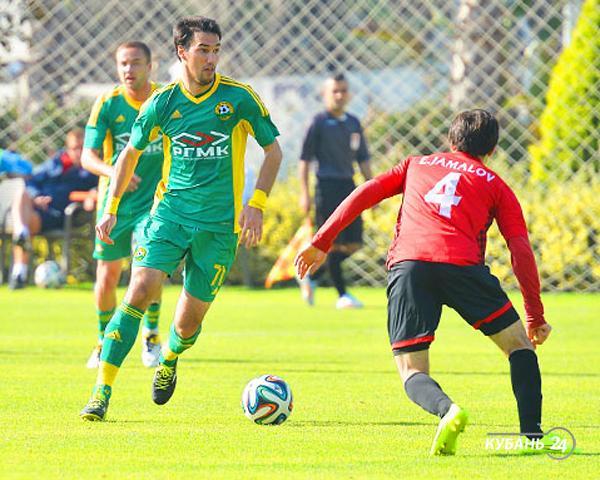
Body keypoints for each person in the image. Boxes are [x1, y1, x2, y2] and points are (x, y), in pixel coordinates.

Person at [296, 109, 554, 455]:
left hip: (410, 266)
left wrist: (321, 241)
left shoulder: (415, 164)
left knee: (411, 370)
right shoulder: (496, 185)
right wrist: (535, 316)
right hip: (464, 268)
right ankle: (532, 438)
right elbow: (520, 250)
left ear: (450, 141)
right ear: (492, 151)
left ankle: (447, 410)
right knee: (520, 346)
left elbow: (365, 193)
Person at [80, 16, 282, 421]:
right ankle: (101, 392)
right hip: (169, 215)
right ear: (182, 52)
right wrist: (112, 208)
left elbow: (273, 152)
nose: (211, 58)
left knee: (188, 324)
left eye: (216, 50)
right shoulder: (163, 102)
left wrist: (256, 203)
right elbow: (129, 154)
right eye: (203, 50)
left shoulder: (239, 99)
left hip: (219, 227)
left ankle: (169, 357)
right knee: (139, 288)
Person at [82, 41, 164, 369]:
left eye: (136, 63)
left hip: (156, 203)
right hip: (114, 203)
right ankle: (104, 341)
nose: (129, 70)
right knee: (108, 273)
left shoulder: (165, 99)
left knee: (150, 270)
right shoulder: (107, 104)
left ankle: (151, 336)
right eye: (123, 64)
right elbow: (87, 157)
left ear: (150, 66)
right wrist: (114, 170)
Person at [298, 73, 372, 308]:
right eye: (335, 91)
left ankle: (313, 277)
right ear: (325, 94)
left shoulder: (353, 123)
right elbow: (304, 160)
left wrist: (374, 190)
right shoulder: (318, 122)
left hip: (349, 187)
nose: (339, 95)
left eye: (343, 90)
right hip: (326, 186)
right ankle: (342, 295)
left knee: (353, 243)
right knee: (330, 243)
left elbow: (363, 159)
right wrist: (305, 194)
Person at [9, 129, 97, 289]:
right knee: (22, 193)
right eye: (75, 148)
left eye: (82, 147)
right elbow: (32, 181)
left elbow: (100, 189)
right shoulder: (56, 162)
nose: (78, 152)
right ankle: (21, 235)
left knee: (24, 224)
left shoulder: (91, 171)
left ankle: (19, 271)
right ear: (67, 148)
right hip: (39, 211)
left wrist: (91, 195)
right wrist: (37, 197)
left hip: (61, 216)